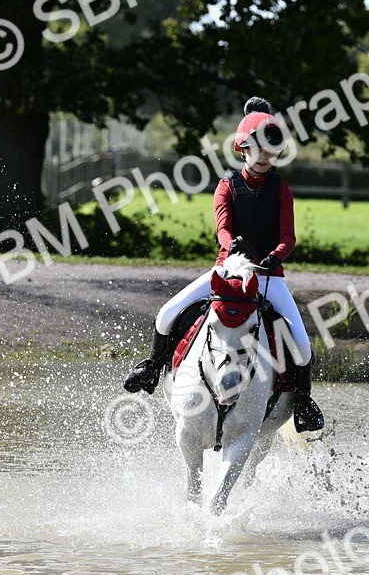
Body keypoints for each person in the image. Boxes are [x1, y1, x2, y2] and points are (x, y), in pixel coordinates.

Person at [122, 96, 324, 433]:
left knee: (302, 347)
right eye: (256, 148)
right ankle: (153, 367)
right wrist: (233, 248)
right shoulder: (226, 185)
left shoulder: (281, 190)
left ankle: (303, 402)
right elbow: (223, 228)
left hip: (269, 278)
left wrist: (273, 257)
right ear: (243, 149)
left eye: (269, 150)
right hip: (227, 272)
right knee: (167, 313)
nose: (263, 156)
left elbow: (288, 238)